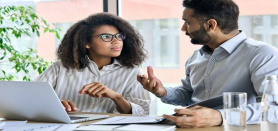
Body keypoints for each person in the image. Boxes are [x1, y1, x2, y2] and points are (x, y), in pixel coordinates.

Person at [137, 0, 278, 128]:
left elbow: (275, 109)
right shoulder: (196, 57)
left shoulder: (262, 54)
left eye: (187, 22)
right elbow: (190, 94)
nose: (183, 29)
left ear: (211, 24)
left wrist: (220, 116)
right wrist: (163, 92)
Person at [34, 12, 150, 115]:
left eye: (119, 36)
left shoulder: (132, 72)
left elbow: (142, 112)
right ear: (86, 43)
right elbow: (31, 98)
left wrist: (117, 97)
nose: (116, 41)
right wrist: (55, 104)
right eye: (106, 37)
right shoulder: (61, 67)